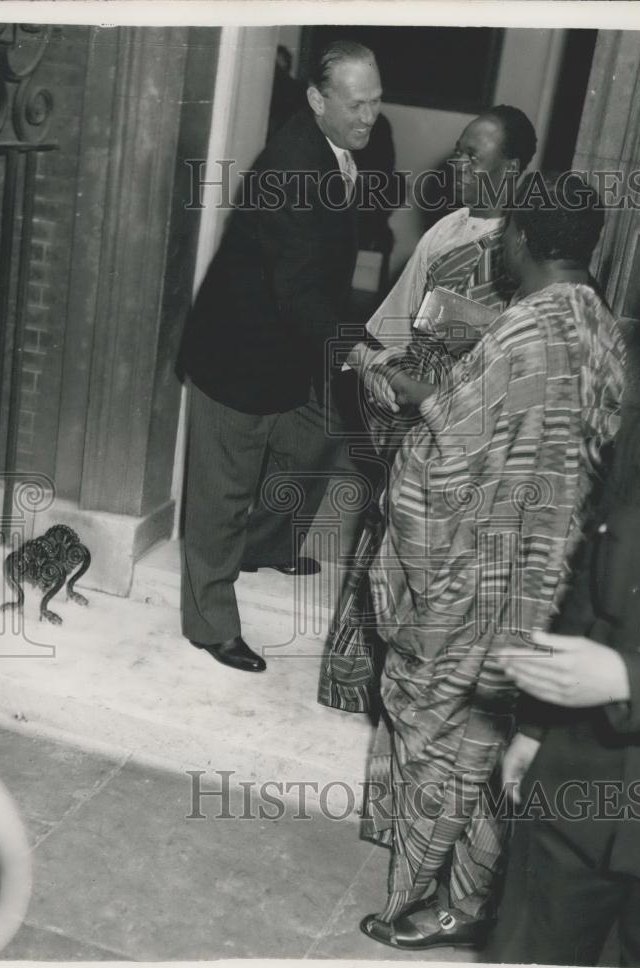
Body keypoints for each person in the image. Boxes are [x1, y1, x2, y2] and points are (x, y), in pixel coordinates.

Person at [354, 172, 629, 950]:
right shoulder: (596, 322)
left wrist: (408, 395)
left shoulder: (523, 331)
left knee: (438, 725)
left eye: (505, 229)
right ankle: (471, 895)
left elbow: (444, 460)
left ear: (527, 241)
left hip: (482, 578)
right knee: (496, 731)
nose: (497, 239)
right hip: (552, 576)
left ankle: (424, 900)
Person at [484, 267, 640, 968]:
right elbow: (589, 589)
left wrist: (637, 681)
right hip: (583, 774)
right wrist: (539, 727)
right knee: (525, 964)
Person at [319, 105, 537, 713]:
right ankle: (357, 685)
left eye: (474, 156)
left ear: (513, 168)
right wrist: (378, 370)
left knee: (433, 572)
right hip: (409, 420)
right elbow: (395, 318)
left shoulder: (527, 247)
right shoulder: (447, 229)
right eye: (459, 153)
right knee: (385, 540)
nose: (459, 165)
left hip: (467, 434)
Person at [177, 41, 382, 674]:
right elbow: (297, 289)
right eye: (356, 104)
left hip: (286, 342)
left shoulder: (334, 147)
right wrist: (364, 356)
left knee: (317, 435)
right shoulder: (294, 164)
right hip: (238, 353)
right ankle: (209, 622)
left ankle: (264, 545)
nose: (369, 117)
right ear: (318, 101)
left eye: (376, 102)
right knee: (223, 493)